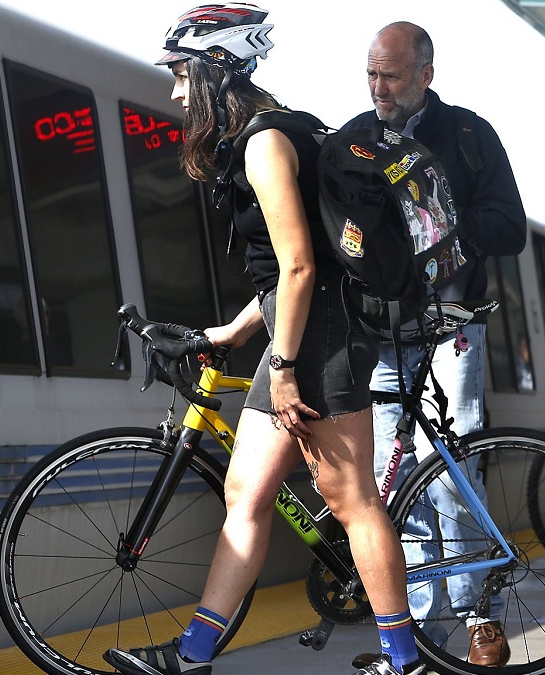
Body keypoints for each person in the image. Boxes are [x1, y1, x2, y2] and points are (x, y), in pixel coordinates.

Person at [104, 6, 421, 675]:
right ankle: (192, 655)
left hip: (319, 336)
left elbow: (304, 265)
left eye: (182, 74)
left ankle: (403, 658)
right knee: (245, 492)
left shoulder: (265, 143)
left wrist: (282, 364)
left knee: (350, 496)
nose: (176, 91)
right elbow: (284, 276)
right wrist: (233, 331)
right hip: (296, 326)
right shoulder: (282, 130)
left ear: (217, 69)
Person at [340, 21, 526, 669]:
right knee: (398, 489)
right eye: (371, 73)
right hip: (383, 334)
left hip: (454, 323)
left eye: (390, 74)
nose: (377, 87)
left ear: (426, 74)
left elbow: (511, 226)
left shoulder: (471, 136)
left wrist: (435, 214)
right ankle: (419, 627)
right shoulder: (356, 141)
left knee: (451, 468)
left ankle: (480, 615)